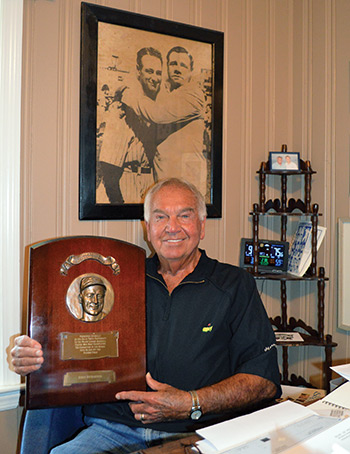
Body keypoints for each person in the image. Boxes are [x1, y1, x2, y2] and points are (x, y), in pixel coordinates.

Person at [11, 178, 281, 453]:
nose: (172, 227)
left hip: (195, 434)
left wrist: (190, 403)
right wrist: (36, 357)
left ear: (202, 226)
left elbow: (263, 381)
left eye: (184, 216)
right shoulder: (119, 280)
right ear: (148, 228)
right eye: (160, 217)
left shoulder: (234, 285)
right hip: (112, 430)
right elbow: (72, 343)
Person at [122, 47, 208, 198]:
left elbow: (157, 114)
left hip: (187, 182)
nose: (177, 69)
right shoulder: (168, 95)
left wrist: (128, 96)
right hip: (165, 178)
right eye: (173, 64)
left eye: (183, 66)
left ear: (191, 70)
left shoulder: (193, 94)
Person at [97, 47, 162, 204]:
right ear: (138, 71)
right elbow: (108, 169)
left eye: (158, 73)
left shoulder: (155, 110)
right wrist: (119, 207)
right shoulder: (121, 110)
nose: (154, 77)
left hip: (148, 185)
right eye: (149, 71)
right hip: (126, 185)